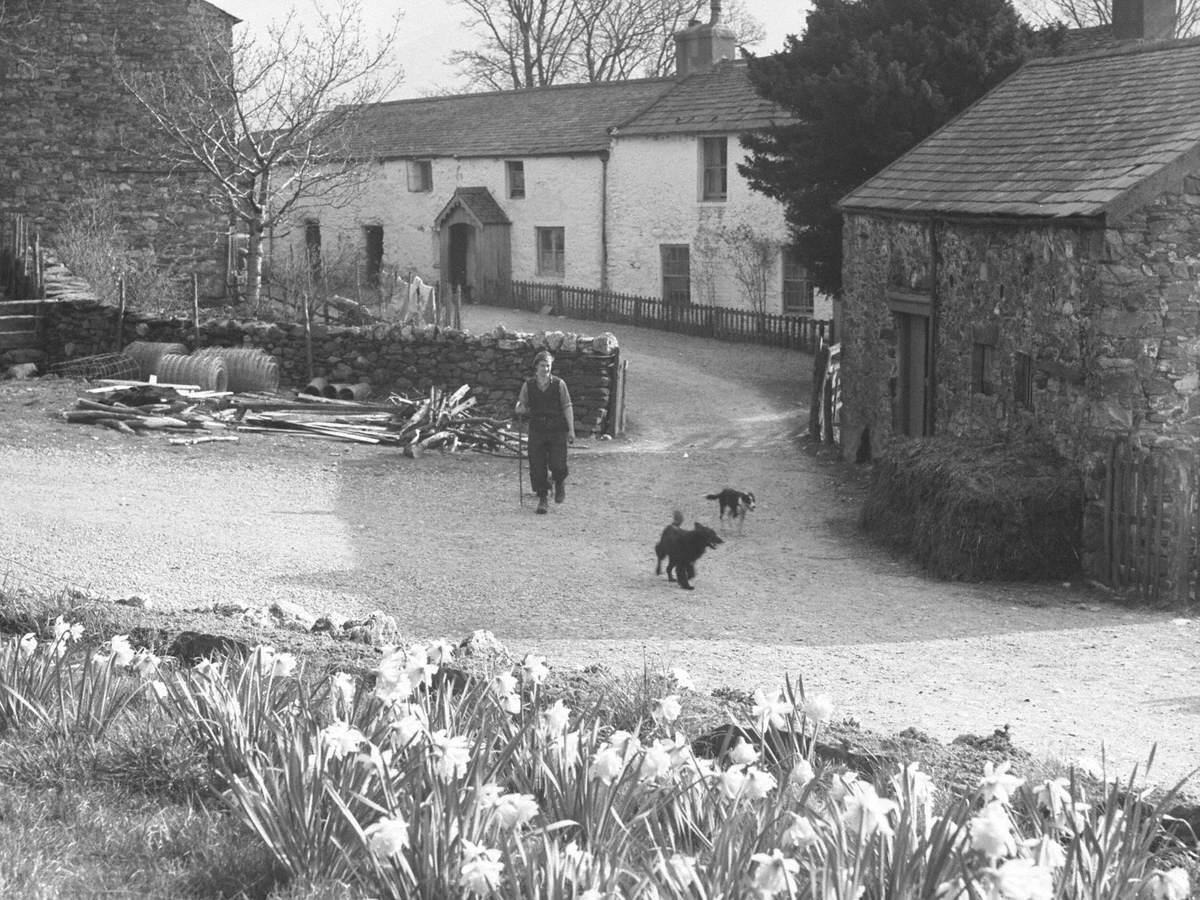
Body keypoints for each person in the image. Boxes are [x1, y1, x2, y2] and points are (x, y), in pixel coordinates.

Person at [515, 350, 575, 514]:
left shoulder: (559, 384)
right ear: (536, 367)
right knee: (537, 466)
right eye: (543, 365)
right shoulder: (528, 386)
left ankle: (559, 481)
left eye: (548, 365)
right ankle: (543, 498)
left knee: (558, 464)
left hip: (557, 429)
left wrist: (571, 430)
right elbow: (522, 404)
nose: (546, 369)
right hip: (537, 429)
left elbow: (567, 406)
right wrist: (519, 408)